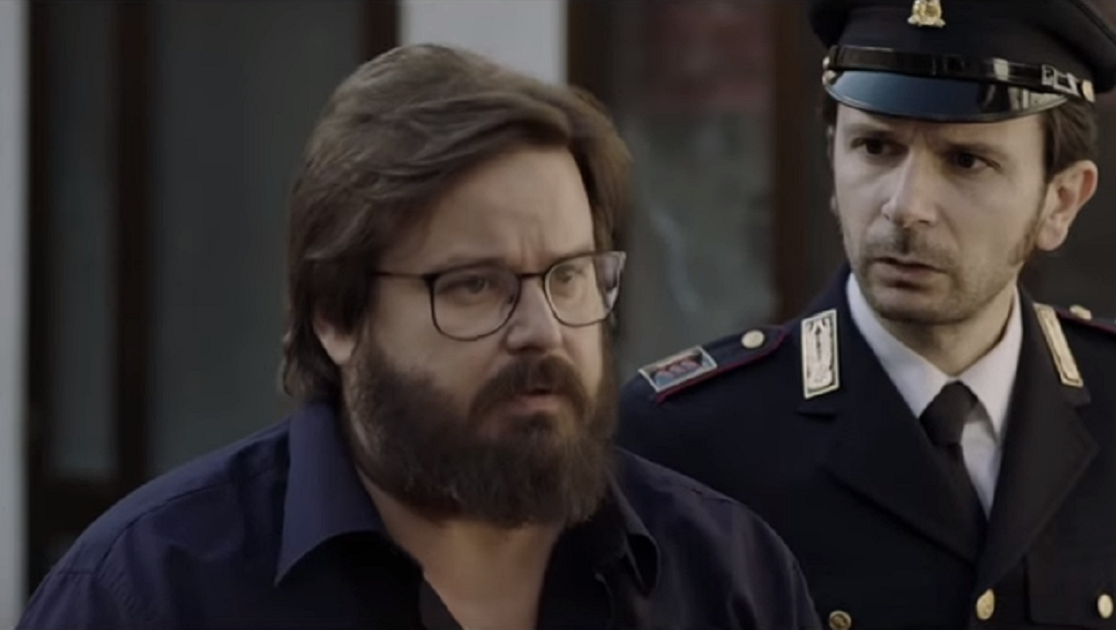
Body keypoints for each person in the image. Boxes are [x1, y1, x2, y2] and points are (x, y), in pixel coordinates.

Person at [18, 44, 820, 630]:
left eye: (570, 276)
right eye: (475, 286)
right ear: (336, 317)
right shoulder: (149, 594)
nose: (542, 331)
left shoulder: (728, 580)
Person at [618, 0, 1116, 628]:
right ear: (832, 158)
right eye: (875, 147)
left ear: (1060, 201)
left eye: (966, 161)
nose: (905, 206)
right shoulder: (690, 436)